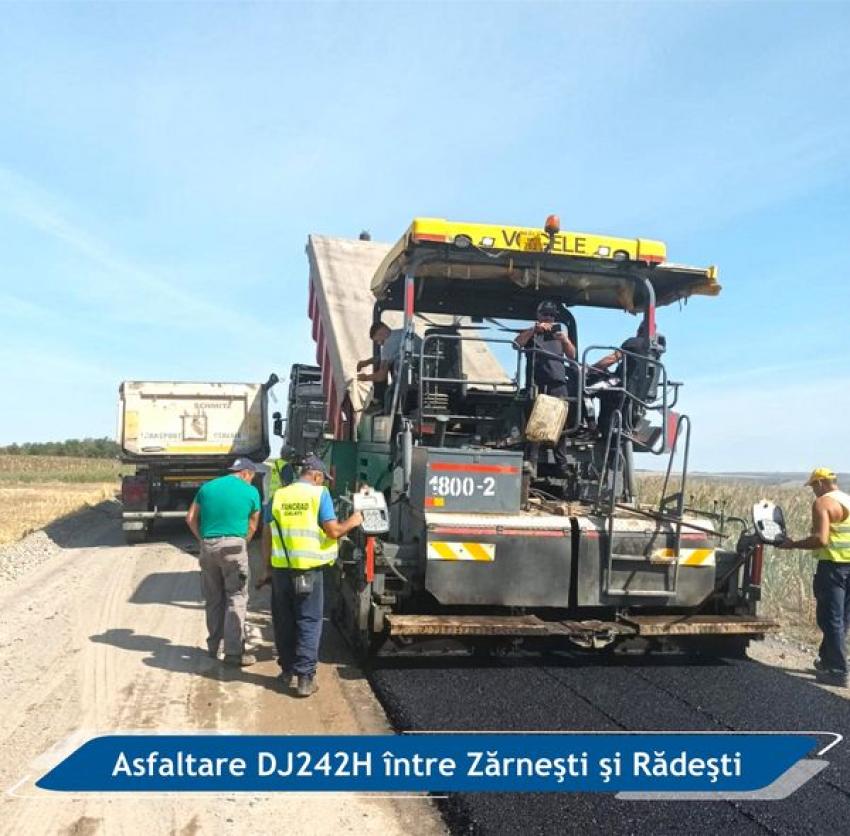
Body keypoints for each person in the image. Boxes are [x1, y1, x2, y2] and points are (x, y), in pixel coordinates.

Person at [258, 455, 363, 697]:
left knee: (284, 622)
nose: (323, 483)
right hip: (308, 572)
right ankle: (305, 679)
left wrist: (266, 568)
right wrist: (353, 520)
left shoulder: (279, 496)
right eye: (323, 479)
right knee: (309, 621)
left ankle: (287, 671)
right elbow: (333, 531)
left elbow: (267, 534)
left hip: (281, 571)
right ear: (316, 475)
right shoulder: (319, 495)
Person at [185, 457, 266, 666]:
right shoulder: (251, 491)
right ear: (246, 473)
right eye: (251, 477)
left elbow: (190, 518)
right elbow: (253, 524)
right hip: (234, 546)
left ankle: (213, 648)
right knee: (236, 597)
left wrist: (202, 539)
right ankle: (233, 653)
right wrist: (243, 542)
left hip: (208, 546)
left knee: (213, 598)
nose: (251, 481)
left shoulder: (207, 488)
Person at [777, 468, 850, 687]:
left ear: (820, 483)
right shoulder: (847, 500)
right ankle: (827, 660)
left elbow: (821, 539)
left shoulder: (822, 503)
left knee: (830, 618)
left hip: (833, 567)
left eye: (812, 487)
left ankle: (837, 671)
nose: (813, 491)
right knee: (842, 619)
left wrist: (793, 544)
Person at [513, 300, 576, 473]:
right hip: (537, 383)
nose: (549, 318)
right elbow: (516, 344)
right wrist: (533, 330)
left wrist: (565, 340)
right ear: (538, 315)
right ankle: (531, 461)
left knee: (560, 423)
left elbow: (572, 355)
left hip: (558, 382)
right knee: (536, 422)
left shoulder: (560, 335)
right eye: (545, 315)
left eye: (552, 316)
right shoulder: (532, 333)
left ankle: (562, 465)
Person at [356, 321, 423, 384]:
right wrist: (366, 362)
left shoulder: (388, 344)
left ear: (380, 333)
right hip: (424, 364)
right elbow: (383, 357)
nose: (379, 343)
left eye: (377, 340)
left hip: (418, 372)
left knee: (393, 365)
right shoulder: (400, 333)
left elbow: (381, 376)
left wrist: (365, 377)